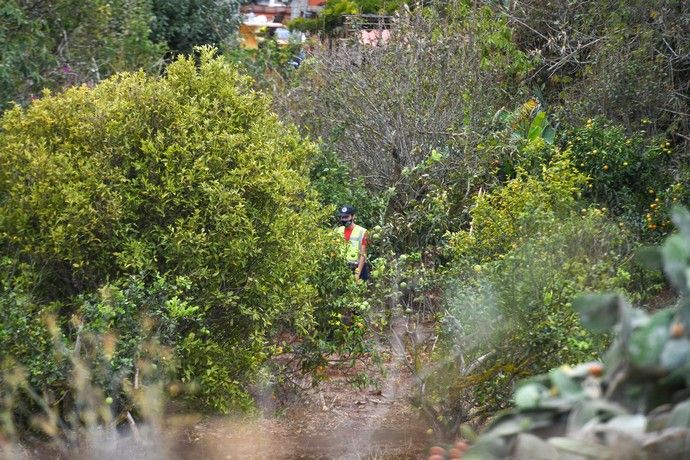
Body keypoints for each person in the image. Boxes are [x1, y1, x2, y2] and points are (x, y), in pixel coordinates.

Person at [336, 205, 369, 282]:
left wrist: (357, 273)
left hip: (357, 267)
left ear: (353, 216)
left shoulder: (362, 231)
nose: (344, 219)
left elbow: (363, 254)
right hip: (343, 267)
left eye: (346, 217)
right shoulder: (337, 231)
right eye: (342, 217)